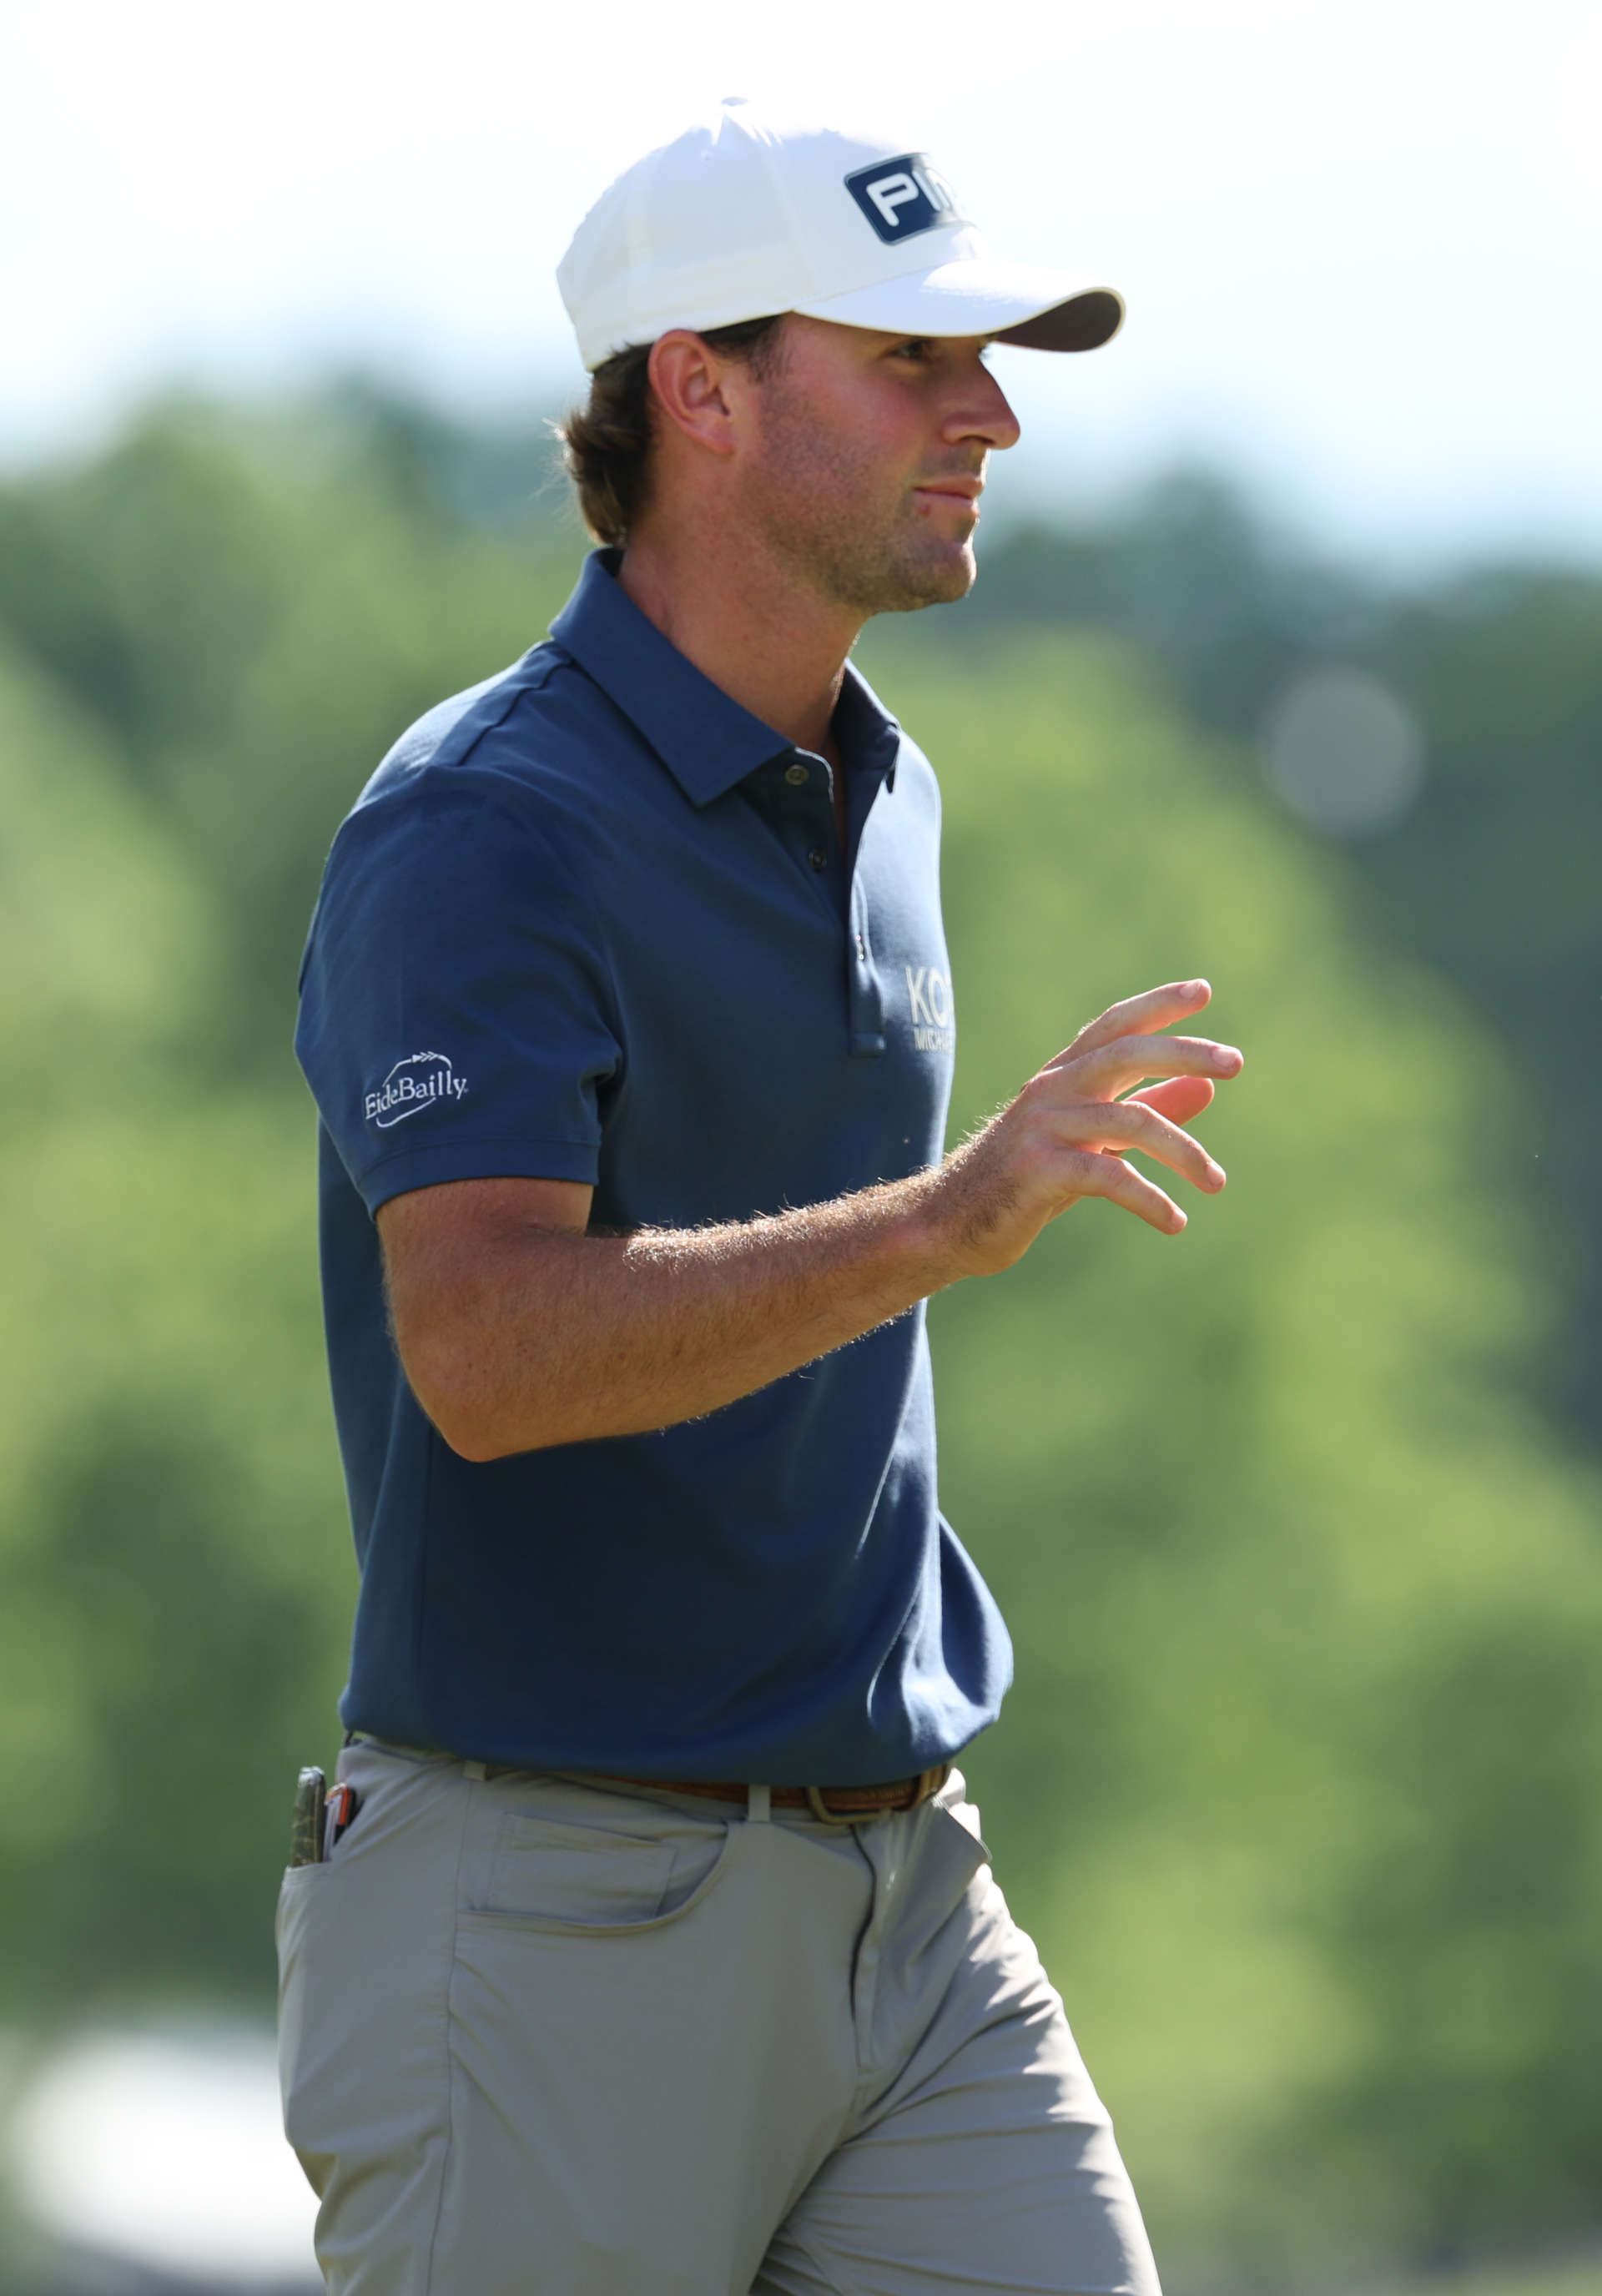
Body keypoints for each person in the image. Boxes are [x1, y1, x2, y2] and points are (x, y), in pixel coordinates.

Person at [279, 98, 1242, 2296]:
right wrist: (941, 1222)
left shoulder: (881, 787)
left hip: (911, 1905)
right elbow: (490, 1355)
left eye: (984, 358)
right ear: (698, 392)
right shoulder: (478, 830)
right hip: (543, 1917)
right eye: (912, 357)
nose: (988, 410)